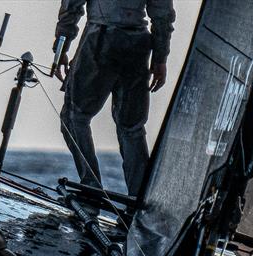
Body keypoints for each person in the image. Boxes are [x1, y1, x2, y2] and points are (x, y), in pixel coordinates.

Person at [53, 0, 175, 198]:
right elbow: (163, 13)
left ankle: (91, 188)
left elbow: (71, 5)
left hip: (101, 38)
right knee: (132, 129)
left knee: (73, 117)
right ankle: (138, 202)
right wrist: (160, 58)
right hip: (139, 43)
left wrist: (61, 46)